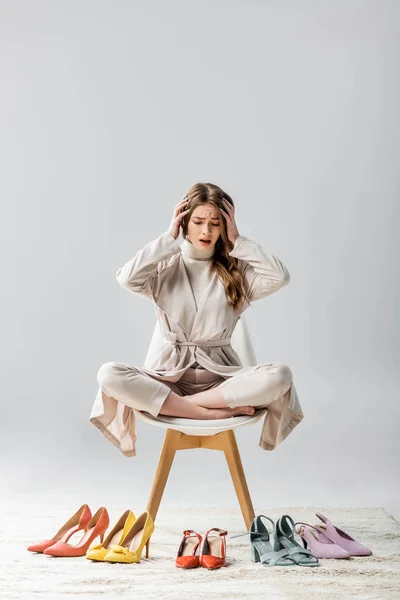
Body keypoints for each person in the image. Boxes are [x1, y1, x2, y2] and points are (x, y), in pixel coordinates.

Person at [90, 183, 303, 456]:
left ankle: (183, 405)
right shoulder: (165, 266)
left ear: (224, 226)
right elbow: (126, 278)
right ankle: (208, 414)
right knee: (108, 374)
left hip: (222, 381)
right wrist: (168, 238)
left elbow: (279, 277)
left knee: (280, 375)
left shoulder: (237, 271)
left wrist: (239, 241)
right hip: (168, 378)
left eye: (215, 223)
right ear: (184, 223)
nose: (206, 231)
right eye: (199, 221)